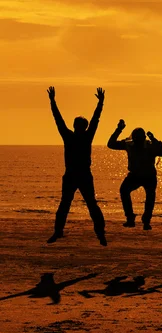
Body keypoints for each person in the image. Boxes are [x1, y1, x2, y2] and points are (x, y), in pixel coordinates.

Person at [46, 86, 107, 246]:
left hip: (79, 175)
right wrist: (100, 103)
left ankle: (99, 234)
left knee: (78, 204)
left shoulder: (77, 136)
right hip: (75, 175)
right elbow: (94, 120)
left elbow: (60, 120)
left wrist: (53, 101)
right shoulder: (78, 136)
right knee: (82, 204)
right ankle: (97, 234)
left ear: (76, 126)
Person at [107, 120, 162, 230]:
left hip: (148, 176)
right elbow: (111, 144)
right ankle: (132, 218)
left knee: (149, 197)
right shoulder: (129, 144)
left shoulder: (149, 146)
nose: (137, 141)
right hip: (135, 175)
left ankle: (144, 221)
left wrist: (154, 140)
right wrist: (119, 129)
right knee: (126, 191)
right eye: (136, 138)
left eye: (139, 138)